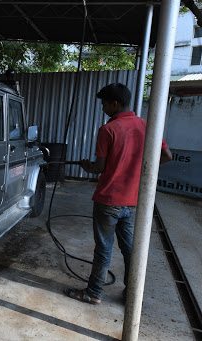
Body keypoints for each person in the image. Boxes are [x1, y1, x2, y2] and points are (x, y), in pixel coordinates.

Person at [64, 83, 172, 305]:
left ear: (114, 104)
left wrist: (87, 166)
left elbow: (99, 167)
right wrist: (142, 168)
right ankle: (132, 295)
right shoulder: (147, 126)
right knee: (131, 249)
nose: (102, 108)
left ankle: (94, 293)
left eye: (104, 103)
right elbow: (167, 155)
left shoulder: (108, 130)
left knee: (104, 249)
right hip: (133, 201)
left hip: (108, 201)